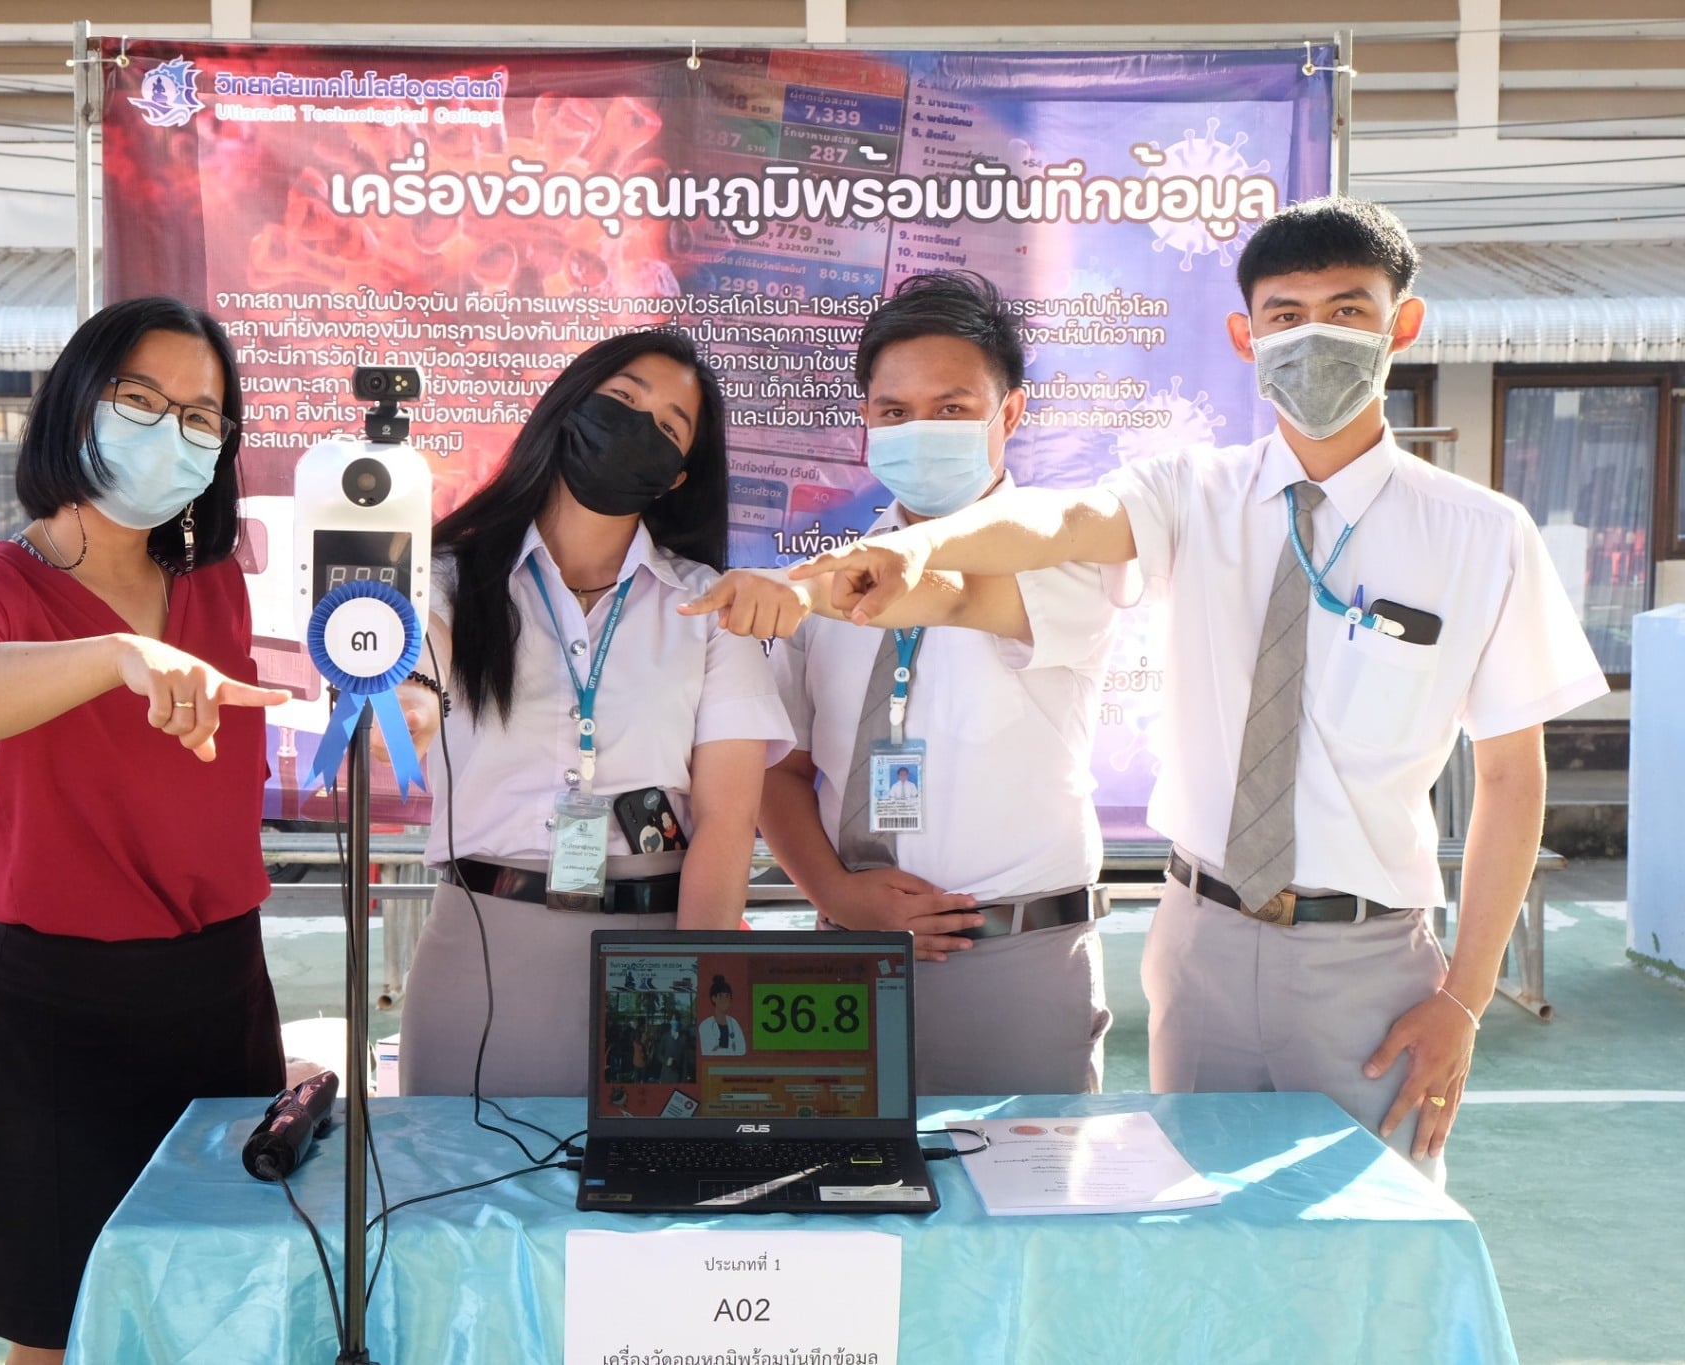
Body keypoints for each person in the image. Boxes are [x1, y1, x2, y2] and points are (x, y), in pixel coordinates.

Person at [794, 199, 1608, 1178]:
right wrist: (910, 550)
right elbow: (1059, 527)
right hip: (1200, 945)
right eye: (1284, 313)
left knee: (1361, 1268)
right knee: (1190, 1245)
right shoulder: (1190, 492)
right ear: (1243, 336)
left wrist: (1465, 999)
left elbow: (1513, 782)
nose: (1313, 336)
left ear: (1402, 325)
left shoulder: (1479, 535)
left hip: (1367, 966)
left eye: (1346, 312)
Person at [0, 297, 293, 1363]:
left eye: (204, 416)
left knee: (216, 1299)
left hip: (220, 988)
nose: (173, 430)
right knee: (58, 1330)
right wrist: (114, 657)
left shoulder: (214, 588)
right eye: (143, 399)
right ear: (76, 404)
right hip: (58, 1004)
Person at [685, 270, 1119, 1095]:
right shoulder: (817, 582)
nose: (921, 431)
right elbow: (780, 769)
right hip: (843, 957)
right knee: (844, 1210)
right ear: (866, 425)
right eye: (895, 413)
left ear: (1010, 414)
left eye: (952, 409)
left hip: (1013, 963)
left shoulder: (1070, 556)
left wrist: (812, 589)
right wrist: (840, 897)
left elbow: (947, 590)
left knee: (1018, 1217)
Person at [397, 329, 793, 1097]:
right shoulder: (448, 576)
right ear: (569, 405)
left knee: (641, 1204)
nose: (641, 426)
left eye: (671, 426)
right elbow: (419, 656)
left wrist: (694, 985)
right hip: (481, 946)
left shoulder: (709, 603)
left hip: (654, 955)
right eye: (624, 400)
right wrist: (408, 700)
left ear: (678, 475)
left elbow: (726, 820)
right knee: (455, 1199)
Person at [698, 975, 749, 1055]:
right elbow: (708, 1052)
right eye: (720, 996)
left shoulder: (734, 1023)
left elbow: (742, 1050)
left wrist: (718, 1048)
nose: (724, 1000)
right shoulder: (705, 1025)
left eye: (727, 996)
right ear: (713, 998)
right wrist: (732, 1049)